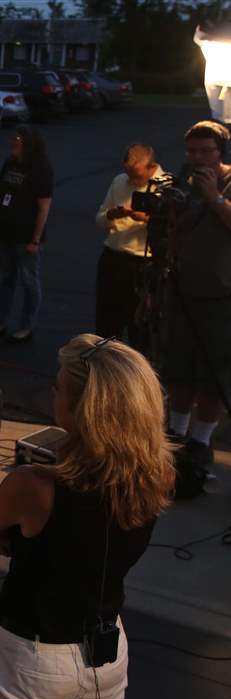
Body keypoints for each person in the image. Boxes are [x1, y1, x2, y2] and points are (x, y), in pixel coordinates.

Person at [0, 334, 175, 699]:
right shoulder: (155, 475)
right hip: (106, 650)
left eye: (59, 387)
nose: (53, 393)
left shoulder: (36, 486)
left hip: (33, 657)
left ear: (86, 409)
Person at [162, 120, 231, 465]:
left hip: (221, 297)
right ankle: (176, 435)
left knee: (212, 376)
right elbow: (170, 232)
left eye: (206, 151)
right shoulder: (182, 182)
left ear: (222, 151)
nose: (198, 157)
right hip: (181, 291)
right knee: (180, 369)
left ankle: (201, 442)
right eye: (192, 151)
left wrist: (214, 197)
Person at [0, 125, 53, 343]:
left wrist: (36, 239)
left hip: (26, 236)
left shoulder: (41, 168)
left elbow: (44, 207)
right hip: (5, 231)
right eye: (12, 138)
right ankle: (0, 322)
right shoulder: (10, 163)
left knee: (29, 281)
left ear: (28, 143)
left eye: (17, 139)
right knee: (7, 278)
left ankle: (26, 326)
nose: (12, 142)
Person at [93, 143, 163, 350]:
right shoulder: (119, 181)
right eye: (129, 174)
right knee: (106, 323)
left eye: (137, 175)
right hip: (113, 258)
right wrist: (111, 215)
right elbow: (99, 221)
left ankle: (137, 367)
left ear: (151, 167)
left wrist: (146, 219)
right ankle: (105, 363)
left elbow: (172, 228)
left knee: (140, 328)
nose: (132, 180)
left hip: (143, 263)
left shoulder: (164, 187)